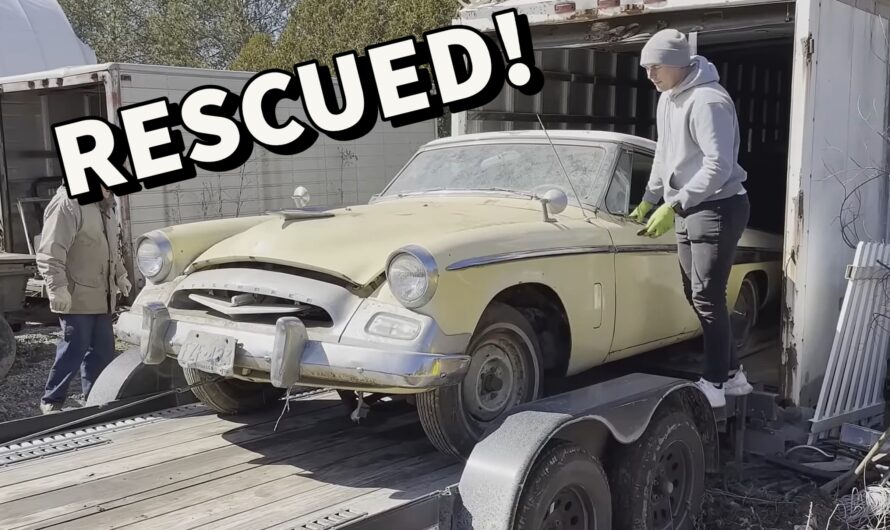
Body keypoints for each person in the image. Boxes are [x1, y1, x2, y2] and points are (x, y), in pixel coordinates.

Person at [629, 29, 753, 408]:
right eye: (646, 68)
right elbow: (665, 155)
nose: (650, 75)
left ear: (679, 64)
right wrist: (650, 199)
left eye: (656, 67)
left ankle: (714, 384)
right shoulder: (667, 98)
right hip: (687, 206)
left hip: (718, 206)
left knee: (707, 296)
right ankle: (734, 376)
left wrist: (676, 203)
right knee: (695, 293)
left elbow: (719, 165)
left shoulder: (708, 101)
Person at [35, 184, 130, 414]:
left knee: (103, 351)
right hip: (76, 294)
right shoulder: (69, 203)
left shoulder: (107, 205)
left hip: (103, 295)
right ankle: (52, 400)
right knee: (74, 347)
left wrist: (121, 276)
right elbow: (50, 251)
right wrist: (57, 288)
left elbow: (110, 250)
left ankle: (98, 400)